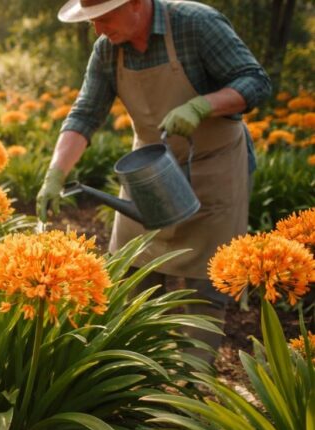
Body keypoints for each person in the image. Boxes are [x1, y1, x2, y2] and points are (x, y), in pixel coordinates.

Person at [36, 0, 271, 363]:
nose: (97, 30)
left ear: (136, 4)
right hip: (147, 168)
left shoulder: (196, 25)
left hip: (213, 167)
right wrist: (55, 174)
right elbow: (85, 113)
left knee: (204, 289)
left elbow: (255, 82)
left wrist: (200, 106)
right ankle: (138, 383)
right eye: (91, 21)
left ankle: (190, 395)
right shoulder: (106, 50)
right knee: (129, 277)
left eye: (104, 18)